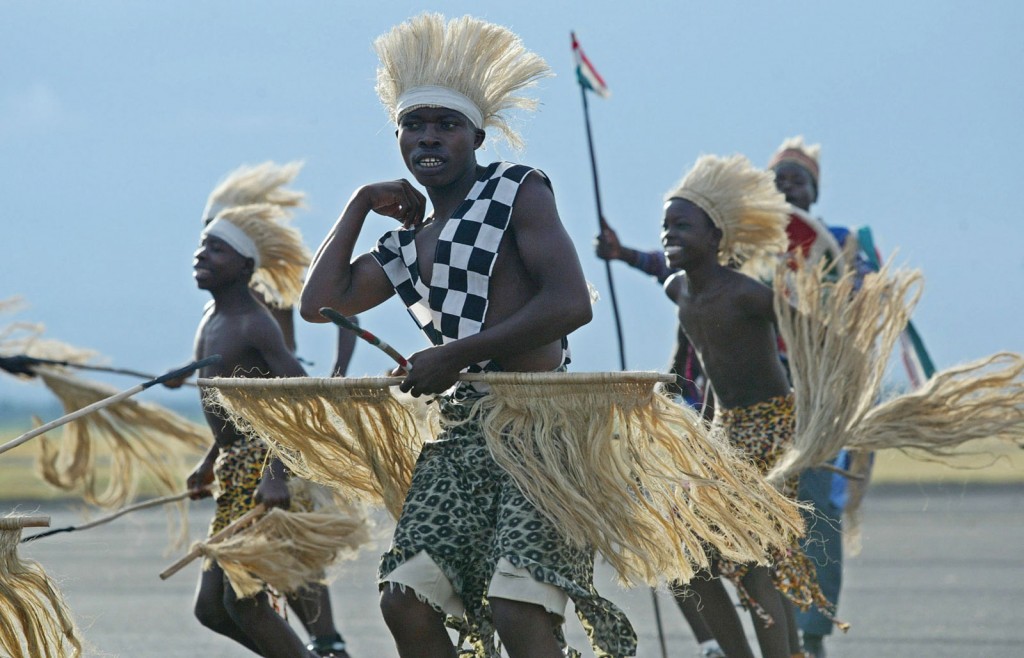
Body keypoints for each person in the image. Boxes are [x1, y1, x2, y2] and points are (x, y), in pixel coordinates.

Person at [300, 13, 634, 658]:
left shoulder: (517, 189)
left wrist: (456, 353)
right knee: (407, 599)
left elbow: (569, 303)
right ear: (398, 137)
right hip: (466, 432)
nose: (429, 137)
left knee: (518, 609)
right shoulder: (405, 243)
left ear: (476, 135)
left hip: (545, 426)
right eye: (414, 126)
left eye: (446, 125)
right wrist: (359, 204)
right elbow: (322, 303)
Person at [661, 154, 839, 658]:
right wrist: (660, 400)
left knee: (755, 555)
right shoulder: (680, 290)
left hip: (776, 430)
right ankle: (723, 649)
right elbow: (686, 357)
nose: (668, 235)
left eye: (682, 225)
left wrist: (823, 405)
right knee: (684, 550)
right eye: (664, 226)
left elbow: (815, 336)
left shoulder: (746, 295)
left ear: (717, 238)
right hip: (727, 433)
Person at [198, 162, 356, 657]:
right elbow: (236, 404)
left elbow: (290, 394)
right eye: (203, 243)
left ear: (246, 263)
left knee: (252, 596)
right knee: (213, 608)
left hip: (269, 462)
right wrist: (208, 461)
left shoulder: (256, 318)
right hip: (238, 467)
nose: (201, 251)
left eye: (216, 245)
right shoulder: (216, 317)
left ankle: (326, 647)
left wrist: (277, 473)